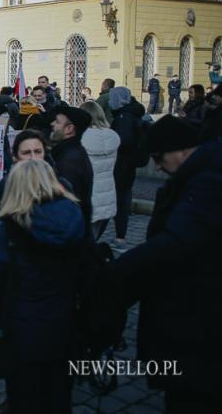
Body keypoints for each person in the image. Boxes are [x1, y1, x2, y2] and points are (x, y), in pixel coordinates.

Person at [89, 116, 222, 413]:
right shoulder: (202, 174)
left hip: (199, 329)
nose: (159, 167)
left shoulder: (208, 183)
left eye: (159, 158)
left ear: (181, 150)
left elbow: (175, 245)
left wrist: (116, 278)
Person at [0, 160, 87, 414]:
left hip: (23, 328)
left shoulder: (12, 227)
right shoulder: (75, 216)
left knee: (24, 398)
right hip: (66, 325)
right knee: (59, 396)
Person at [108, 87, 146, 248]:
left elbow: (123, 142)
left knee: (117, 201)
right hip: (128, 164)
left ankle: (119, 238)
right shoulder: (131, 114)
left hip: (120, 165)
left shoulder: (123, 117)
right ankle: (120, 236)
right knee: (122, 199)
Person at [78, 102, 119, 239]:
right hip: (107, 192)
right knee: (94, 237)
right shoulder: (112, 136)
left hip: (88, 194)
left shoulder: (81, 138)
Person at [49, 105, 94, 226]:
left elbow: (66, 203)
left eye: (57, 121)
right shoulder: (69, 153)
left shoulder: (69, 161)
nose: (52, 124)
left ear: (69, 129)